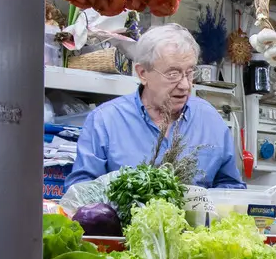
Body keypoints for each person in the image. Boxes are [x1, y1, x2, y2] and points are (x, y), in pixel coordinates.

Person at [63, 23, 245, 190]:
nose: (185, 85)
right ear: (143, 73)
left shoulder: (210, 120)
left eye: (189, 73)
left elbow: (231, 188)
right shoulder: (105, 121)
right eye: (173, 74)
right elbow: (79, 191)